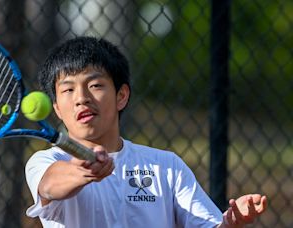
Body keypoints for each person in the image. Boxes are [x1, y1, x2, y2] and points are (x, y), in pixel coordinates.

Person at [25, 36, 267, 228]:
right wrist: (84, 170)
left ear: (121, 96)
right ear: (56, 107)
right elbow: (49, 186)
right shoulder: (46, 161)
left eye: (95, 85)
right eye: (68, 90)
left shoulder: (166, 166)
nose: (81, 98)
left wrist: (230, 224)